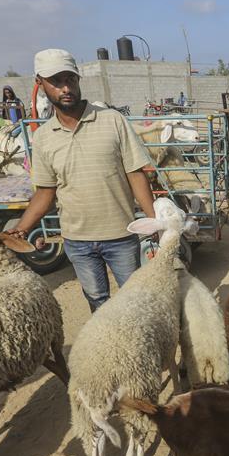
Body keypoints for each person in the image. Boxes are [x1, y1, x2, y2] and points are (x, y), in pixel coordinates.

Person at [9, 49, 155, 312]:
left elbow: (135, 174)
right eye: (56, 81)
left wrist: (155, 221)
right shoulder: (43, 137)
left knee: (135, 302)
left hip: (121, 235)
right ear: (40, 84)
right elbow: (45, 192)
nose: (66, 88)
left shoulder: (112, 121)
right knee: (97, 302)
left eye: (70, 79)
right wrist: (21, 228)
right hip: (78, 241)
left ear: (78, 80)